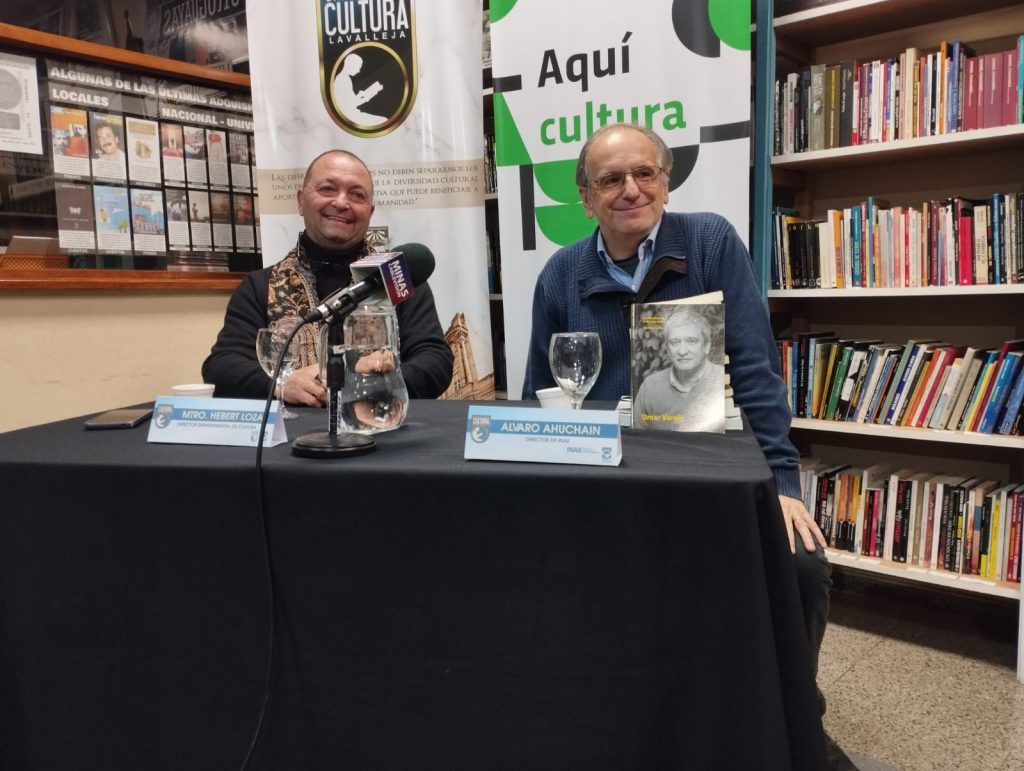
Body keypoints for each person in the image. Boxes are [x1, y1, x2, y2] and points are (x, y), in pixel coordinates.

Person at [523, 123, 844, 761]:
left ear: (666, 182)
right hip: (606, 475)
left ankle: (793, 712)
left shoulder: (710, 241)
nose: (630, 189)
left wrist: (781, 485)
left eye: (645, 173)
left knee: (802, 565)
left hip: (709, 464)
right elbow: (540, 392)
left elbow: (754, 371)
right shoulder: (561, 274)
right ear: (586, 199)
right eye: (610, 179)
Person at [202, 149, 453, 403]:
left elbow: (435, 362)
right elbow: (221, 367)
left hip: (379, 429)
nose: (341, 203)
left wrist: (367, 383)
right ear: (301, 201)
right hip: (290, 436)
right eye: (327, 189)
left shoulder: (397, 278)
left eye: (357, 195)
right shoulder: (259, 286)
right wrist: (281, 384)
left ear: (370, 210)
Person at [633, 307, 725, 432]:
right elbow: (638, 439)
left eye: (691, 341)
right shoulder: (650, 387)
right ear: (667, 348)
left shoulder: (724, 381)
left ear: (707, 346)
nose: (682, 351)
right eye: (675, 342)